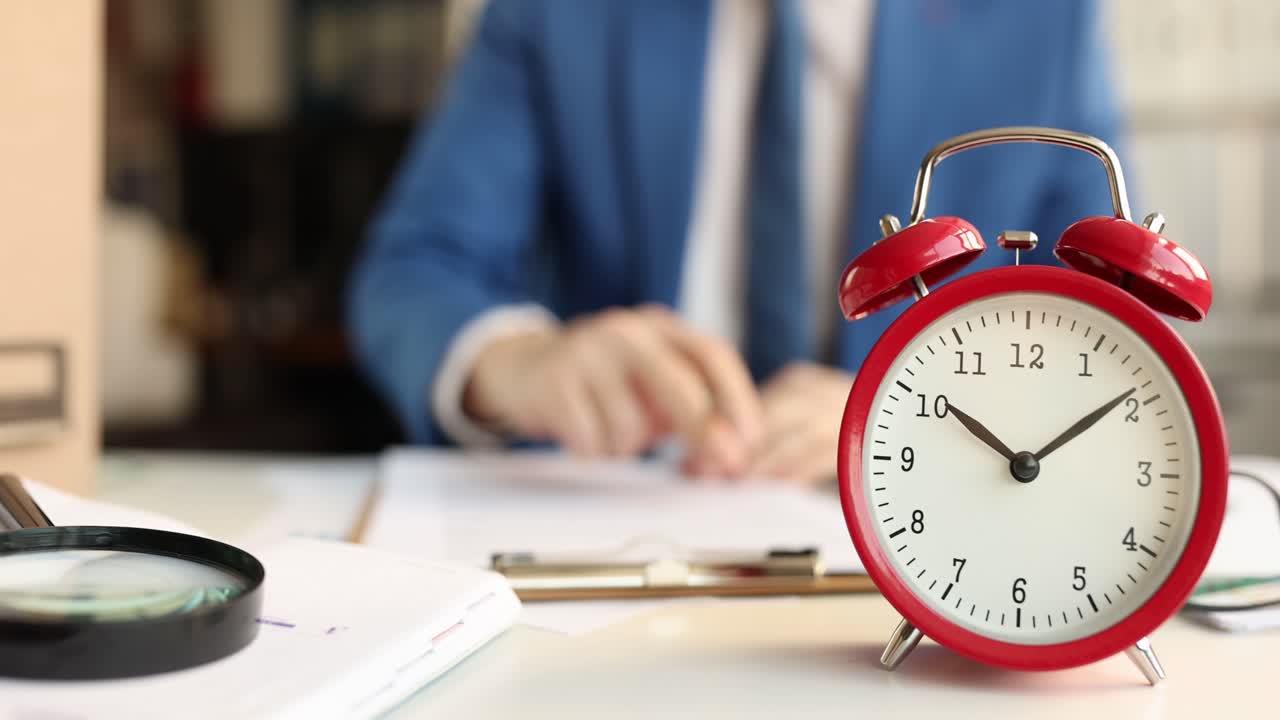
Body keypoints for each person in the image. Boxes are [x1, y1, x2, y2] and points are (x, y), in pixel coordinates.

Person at [349, 0, 1124, 484]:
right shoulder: (554, 13)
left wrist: (920, 409)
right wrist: (516, 364)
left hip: (932, 516)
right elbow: (415, 268)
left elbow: (1113, 328)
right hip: (619, 505)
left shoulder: (1042, 18)